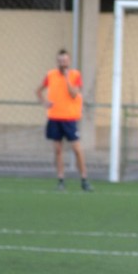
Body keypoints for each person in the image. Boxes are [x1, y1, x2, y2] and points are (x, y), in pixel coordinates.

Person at [35, 49, 92, 192]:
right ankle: (61, 180)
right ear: (57, 62)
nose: (63, 63)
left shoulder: (75, 75)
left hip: (70, 118)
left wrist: (66, 78)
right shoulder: (50, 75)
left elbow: (73, 94)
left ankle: (84, 179)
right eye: (60, 61)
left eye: (65, 61)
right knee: (57, 150)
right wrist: (44, 102)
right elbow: (38, 90)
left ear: (69, 62)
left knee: (77, 149)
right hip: (54, 117)